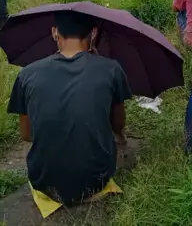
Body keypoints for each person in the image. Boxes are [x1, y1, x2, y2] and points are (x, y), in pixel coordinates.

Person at [7, 11, 132, 206]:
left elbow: (27, 135)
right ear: (94, 33)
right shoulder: (111, 69)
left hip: (44, 182)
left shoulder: (27, 74)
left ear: (54, 32)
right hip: (96, 180)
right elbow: (118, 124)